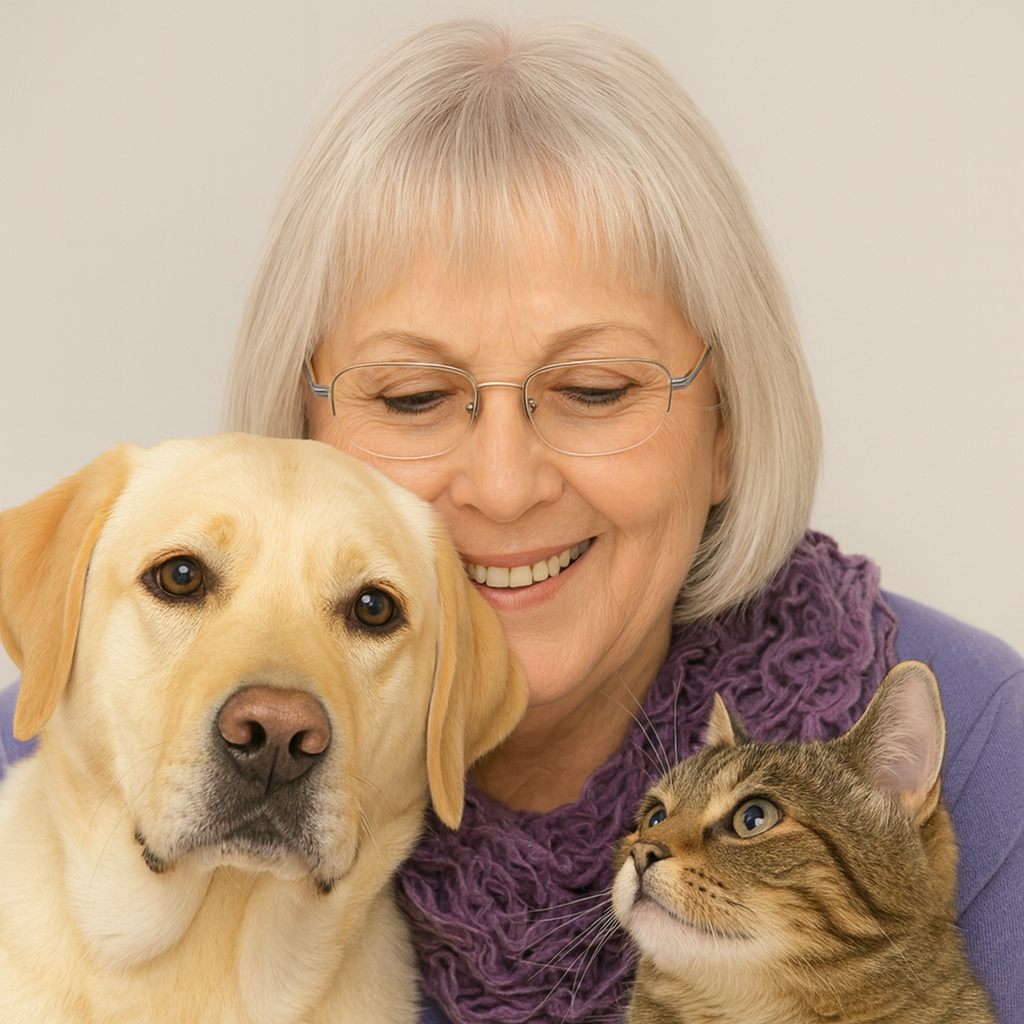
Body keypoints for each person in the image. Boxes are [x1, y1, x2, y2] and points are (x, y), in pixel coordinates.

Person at [2, 18, 1022, 1024]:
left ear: (729, 429)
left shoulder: (982, 751)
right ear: (298, 424)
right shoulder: (51, 772)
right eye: (411, 396)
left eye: (594, 389)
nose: (501, 485)